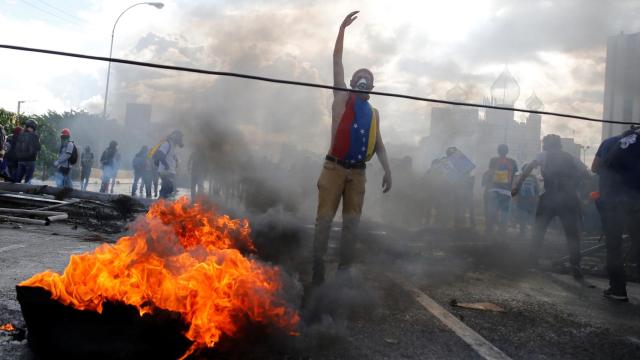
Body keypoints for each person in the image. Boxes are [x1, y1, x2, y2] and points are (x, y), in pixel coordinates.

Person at [312, 11, 392, 285]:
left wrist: (388, 171)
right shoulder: (341, 97)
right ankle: (317, 270)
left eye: (367, 79)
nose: (362, 80)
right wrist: (341, 29)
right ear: (352, 82)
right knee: (324, 221)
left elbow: (379, 144)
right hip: (334, 167)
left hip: (358, 173)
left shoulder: (374, 112)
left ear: (371, 87)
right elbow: (337, 61)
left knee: (352, 224)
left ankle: (345, 271)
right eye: (358, 76)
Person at [512, 134, 589, 279]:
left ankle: (533, 262)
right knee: (572, 235)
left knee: (539, 230)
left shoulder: (543, 155)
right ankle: (576, 265)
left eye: (544, 143)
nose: (543, 146)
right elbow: (586, 174)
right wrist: (582, 195)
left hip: (550, 198)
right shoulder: (571, 157)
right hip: (569, 199)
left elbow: (528, 168)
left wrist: (517, 185)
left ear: (548, 145)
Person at [592, 125, 640, 302]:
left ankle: (618, 290)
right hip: (637, 201)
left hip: (612, 201)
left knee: (614, 246)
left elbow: (595, 167)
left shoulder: (610, 142)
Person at [485, 144, 518, 237]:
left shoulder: (493, 160)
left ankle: (489, 232)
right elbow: (514, 178)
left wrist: (488, 188)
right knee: (504, 212)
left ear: (498, 151)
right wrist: (514, 190)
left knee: (492, 211)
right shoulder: (513, 162)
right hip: (506, 192)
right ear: (507, 151)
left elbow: (490, 174)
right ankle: (502, 232)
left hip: (494, 190)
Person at [152, 130, 183, 199]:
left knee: (169, 189)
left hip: (171, 171)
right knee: (166, 188)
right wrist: (166, 165)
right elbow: (160, 154)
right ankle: (160, 203)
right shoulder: (167, 143)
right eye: (179, 137)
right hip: (165, 171)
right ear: (175, 137)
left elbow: (172, 156)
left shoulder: (174, 146)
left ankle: (162, 203)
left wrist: (176, 162)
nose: (180, 139)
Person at [514, 163, 540, 238]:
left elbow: (516, 189)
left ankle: (522, 233)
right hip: (532, 200)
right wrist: (537, 199)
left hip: (522, 200)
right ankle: (534, 234)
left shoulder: (520, 177)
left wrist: (515, 199)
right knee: (533, 218)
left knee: (522, 218)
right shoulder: (534, 178)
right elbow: (537, 190)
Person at [13, 119, 41, 184]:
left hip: (20, 160)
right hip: (30, 161)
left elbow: (16, 147)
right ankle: (25, 193)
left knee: (18, 179)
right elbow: (39, 148)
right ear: (33, 127)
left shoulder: (20, 134)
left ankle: (15, 192)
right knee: (28, 180)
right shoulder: (34, 136)